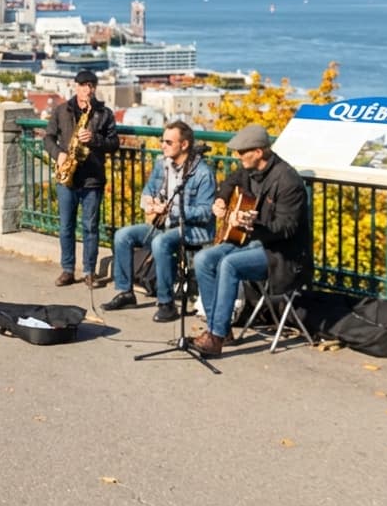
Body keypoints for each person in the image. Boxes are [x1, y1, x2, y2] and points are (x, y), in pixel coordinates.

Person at [189, 123, 312, 356]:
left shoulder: (288, 181)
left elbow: (286, 229)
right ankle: (221, 328)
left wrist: (252, 224)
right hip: (252, 241)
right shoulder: (248, 170)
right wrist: (222, 200)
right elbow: (229, 183)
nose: (238, 156)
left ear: (258, 152)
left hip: (282, 254)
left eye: (242, 152)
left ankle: (216, 337)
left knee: (229, 264)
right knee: (204, 258)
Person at [101, 121, 216, 322]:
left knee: (160, 243)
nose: (163, 145)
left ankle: (166, 303)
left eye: (169, 142)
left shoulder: (202, 173)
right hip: (164, 225)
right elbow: (147, 192)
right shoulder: (161, 165)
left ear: (185, 145)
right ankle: (125, 292)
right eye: (162, 141)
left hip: (193, 229)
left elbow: (206, 212)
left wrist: (173, 211)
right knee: (122, 236)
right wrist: (149, 203)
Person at [43, 69, 119, 288]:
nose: (88, 89)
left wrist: (94, 139)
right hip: (68, 176)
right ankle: (67, 269)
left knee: (90, 226)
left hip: (92, 178)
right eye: (84, 85)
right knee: (66, 226)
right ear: (76, 86)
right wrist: (59, 154)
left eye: (91, 85)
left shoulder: (104, 113)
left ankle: (89, 271)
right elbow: (47, 138)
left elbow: (113, 143)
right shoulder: (62, 110)